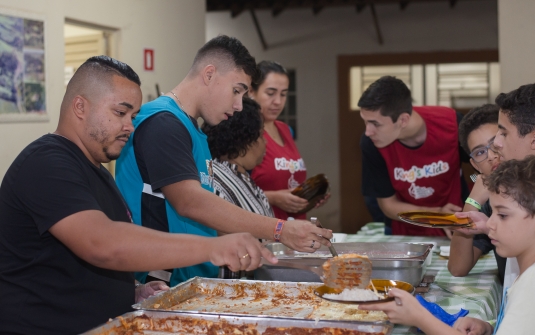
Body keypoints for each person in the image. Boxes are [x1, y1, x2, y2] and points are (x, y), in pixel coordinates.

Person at [0, 56, 277, 335]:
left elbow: (67, 266)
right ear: (80, 107)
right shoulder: (46, 163)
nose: (130, 127)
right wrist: (214, 248)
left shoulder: (97, 173)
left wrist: (133, 291)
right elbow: (102, 244)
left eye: (132, 116)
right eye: (120, 113)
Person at [115, 37, 331, 286]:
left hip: (191, 278)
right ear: (209, 74)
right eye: (236, 90)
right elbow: (190, 202)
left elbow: (205, 213)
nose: (239, 105)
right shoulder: (164, 124)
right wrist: (280, 229)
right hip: (160, 283)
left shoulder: (192, 130)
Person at [360, 155, 535, 335]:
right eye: (493, 213)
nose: (489, 224)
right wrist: (489, 327)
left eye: (503, 215)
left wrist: (420, 317)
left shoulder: (531, 284)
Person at [359, 75, 469, 237]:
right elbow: (388, 205)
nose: (368, 132)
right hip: (403, 230)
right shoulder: (371, 144)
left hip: (456, 224)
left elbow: (482, 173)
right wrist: (436, 215)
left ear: (403, 120)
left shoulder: (452, 124)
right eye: (365, 121)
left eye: (375, 124)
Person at [250, 61, 328, 220]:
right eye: (270, 93)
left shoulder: (286, 130)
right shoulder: (246, 134)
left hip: (293, 231)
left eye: (283, 94)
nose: (278, 101)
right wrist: (273, 198)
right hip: (263, 231)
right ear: (251, 92)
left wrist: (308, 197)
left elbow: (288, 183)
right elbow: (229, 191)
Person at [448, 104, 506, 283]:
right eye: (480, 152)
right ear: (475, 165)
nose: (490, 156)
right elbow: (458, 268)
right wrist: (472, 202)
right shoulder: (490, 203)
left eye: (494, 143)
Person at [203, 97, 274, 218]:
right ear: (246, 140)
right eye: (261, 135)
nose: (265, 142)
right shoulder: (216, 181)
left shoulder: (238, 175)